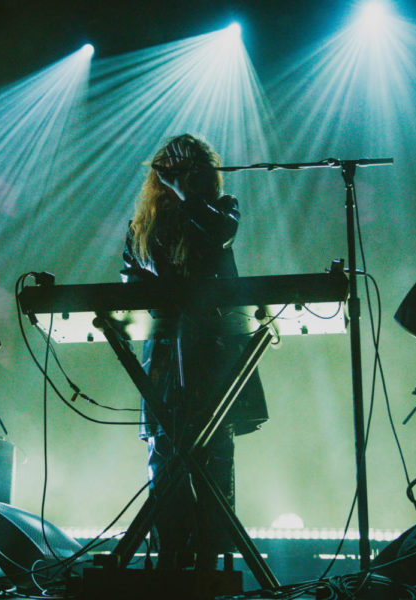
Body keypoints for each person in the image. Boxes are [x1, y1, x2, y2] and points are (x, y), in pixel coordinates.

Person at [120, 133, 268, 570]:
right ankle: (169, 558)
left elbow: (222, 235)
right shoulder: (142, 227)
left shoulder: (222, 210)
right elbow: (129, 285)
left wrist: (188, 197)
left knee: (213, 456)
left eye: (192, 171)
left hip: (212, 353)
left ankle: (210, 561)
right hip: (165, 356)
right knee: (163, 455)